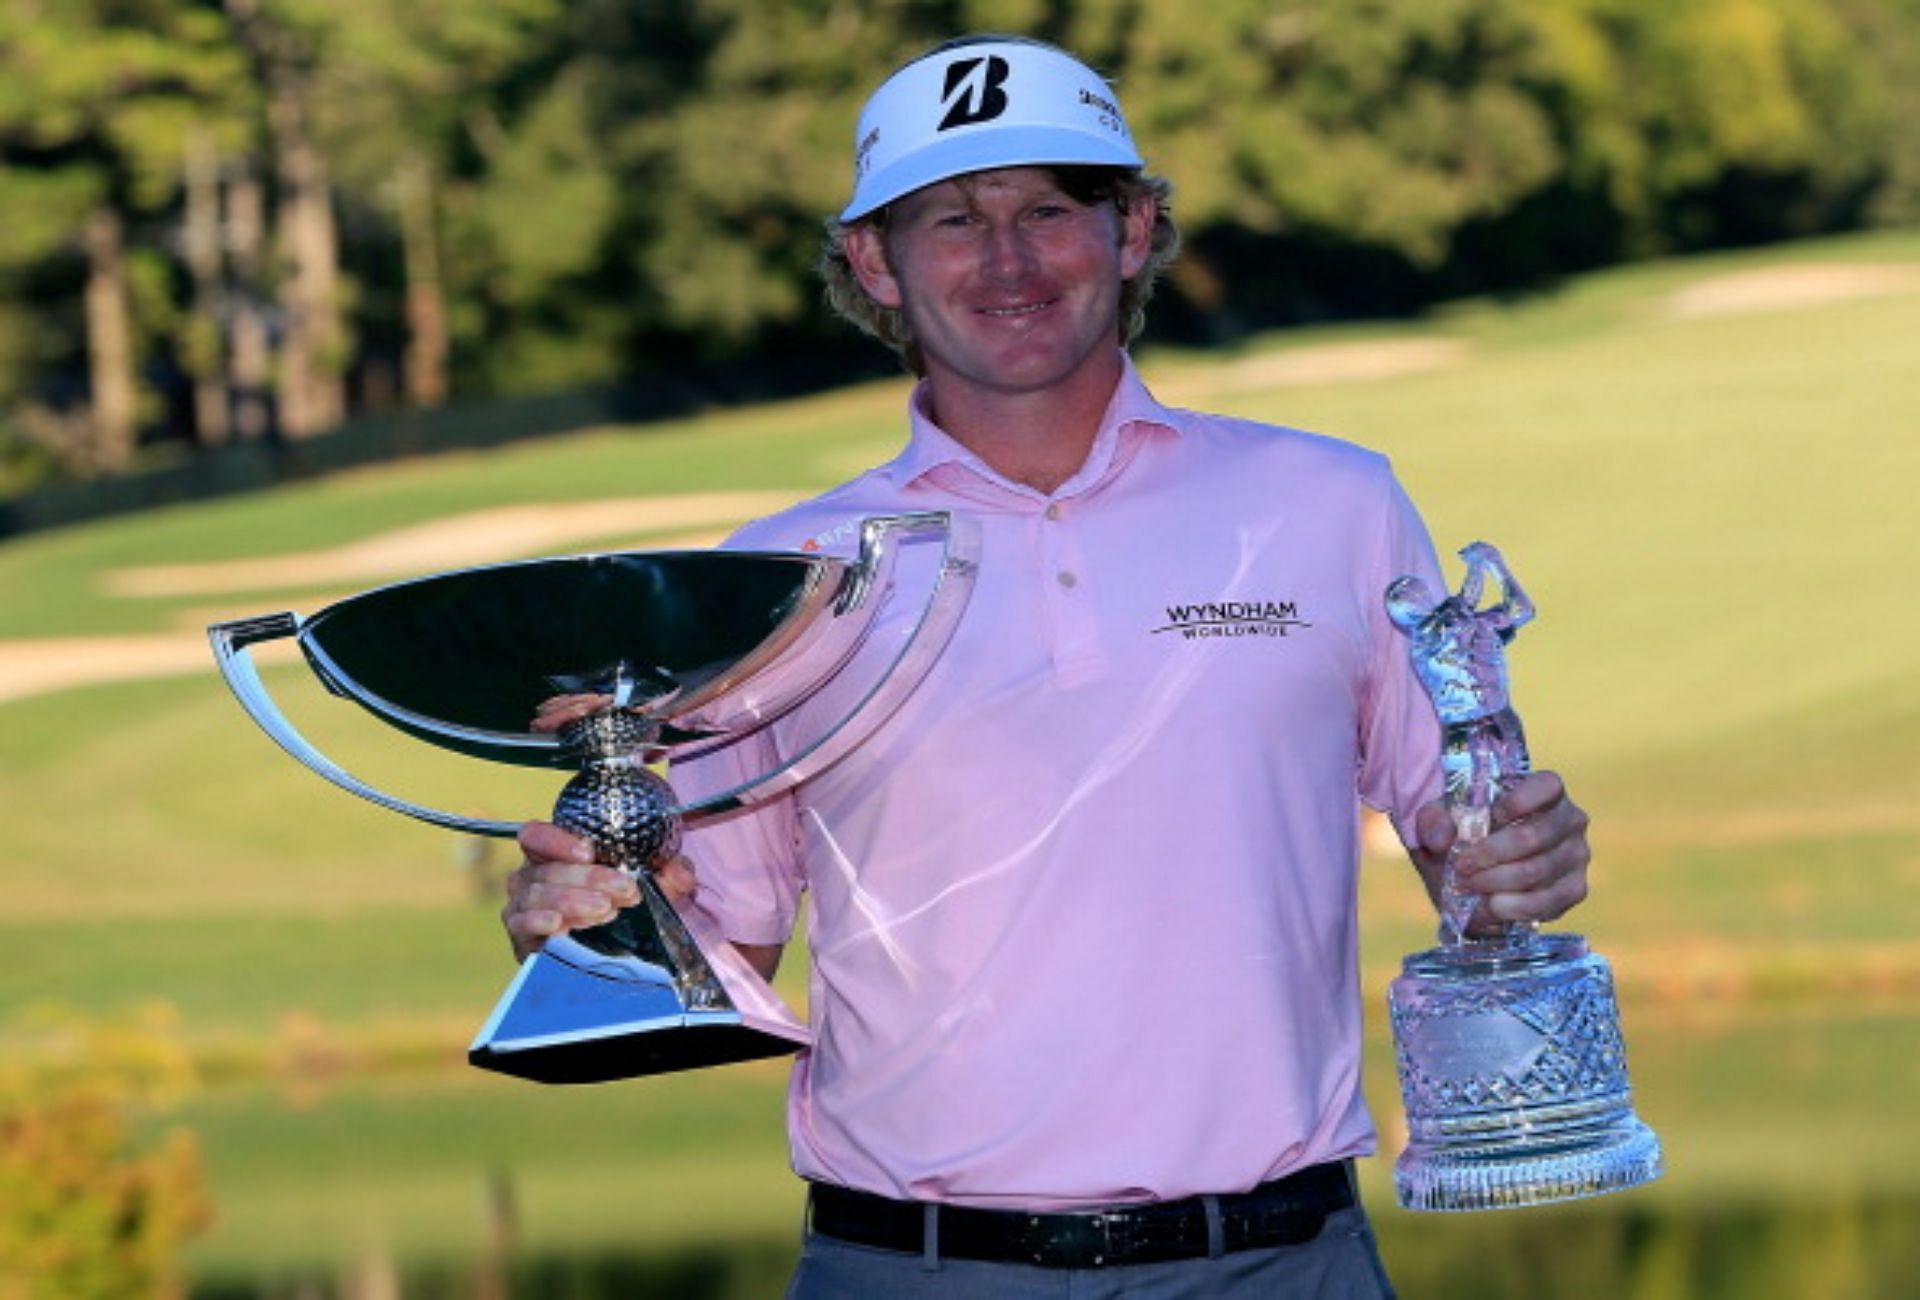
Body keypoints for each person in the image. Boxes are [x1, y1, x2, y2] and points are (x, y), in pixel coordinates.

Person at [504, 35, 1591, 1298]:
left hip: (1282, 1262)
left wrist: (1524, 857)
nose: (1008, 260)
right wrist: (597, 919)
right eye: (953, 219)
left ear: (1131, 232)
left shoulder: (1328, 503)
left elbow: (1467, 839)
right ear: (876, 263)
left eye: (1050, 209)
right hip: (911, 1266)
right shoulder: (779, 578)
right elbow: (717, 933)